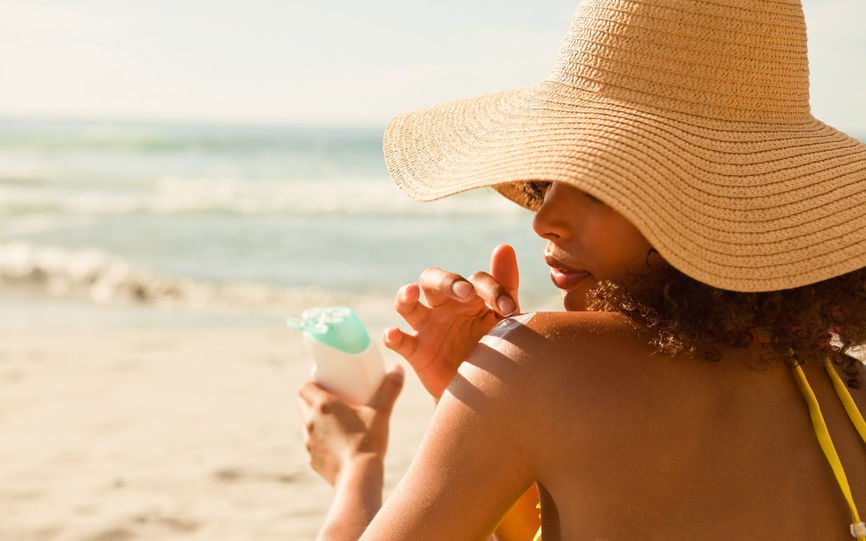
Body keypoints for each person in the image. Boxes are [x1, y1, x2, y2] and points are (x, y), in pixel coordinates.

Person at [297, 0, 866, 539]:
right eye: (550, 178)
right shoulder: (850, 393)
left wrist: (358, 467)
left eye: (600, 181)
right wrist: (479, 415)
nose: (545, 219)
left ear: (720, 200)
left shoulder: (537, 367)